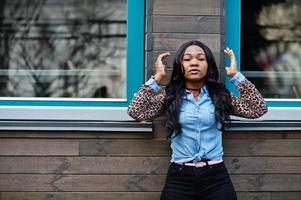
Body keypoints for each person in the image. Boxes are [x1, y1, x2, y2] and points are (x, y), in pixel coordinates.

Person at [127, 40, 268, 200]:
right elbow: (136, 111)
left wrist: (236, 77)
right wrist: (157, 78)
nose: (194, 63)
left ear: (208, 64)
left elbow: (258, 109)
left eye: (201, 59)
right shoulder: (170, 97)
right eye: (187, 59)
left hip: (216, 177)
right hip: (179, 177)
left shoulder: (220, 96)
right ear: (180, 65)